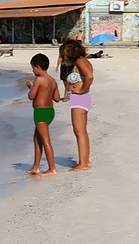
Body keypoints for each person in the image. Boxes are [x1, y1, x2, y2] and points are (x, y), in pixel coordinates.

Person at [57, 38, 94, 171]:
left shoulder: (80, 61)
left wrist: (81, 89)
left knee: (79, 131)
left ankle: (84, 163)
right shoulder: (81, 61)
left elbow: (89, 76)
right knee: (80, 131)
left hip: (81, 98)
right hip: (80, 98)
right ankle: (85, 161)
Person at [26, 54, 58, 177]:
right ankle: (36, 166)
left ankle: (52, 168)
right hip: (50, 111)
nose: (33, 71)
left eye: (33, 68)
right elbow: (56, 98)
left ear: (37, 67)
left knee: (45, 140)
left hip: (40, 112)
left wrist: (31, 87)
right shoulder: (52, 80)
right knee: (37, 138)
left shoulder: (39, 80)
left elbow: (31, 96)